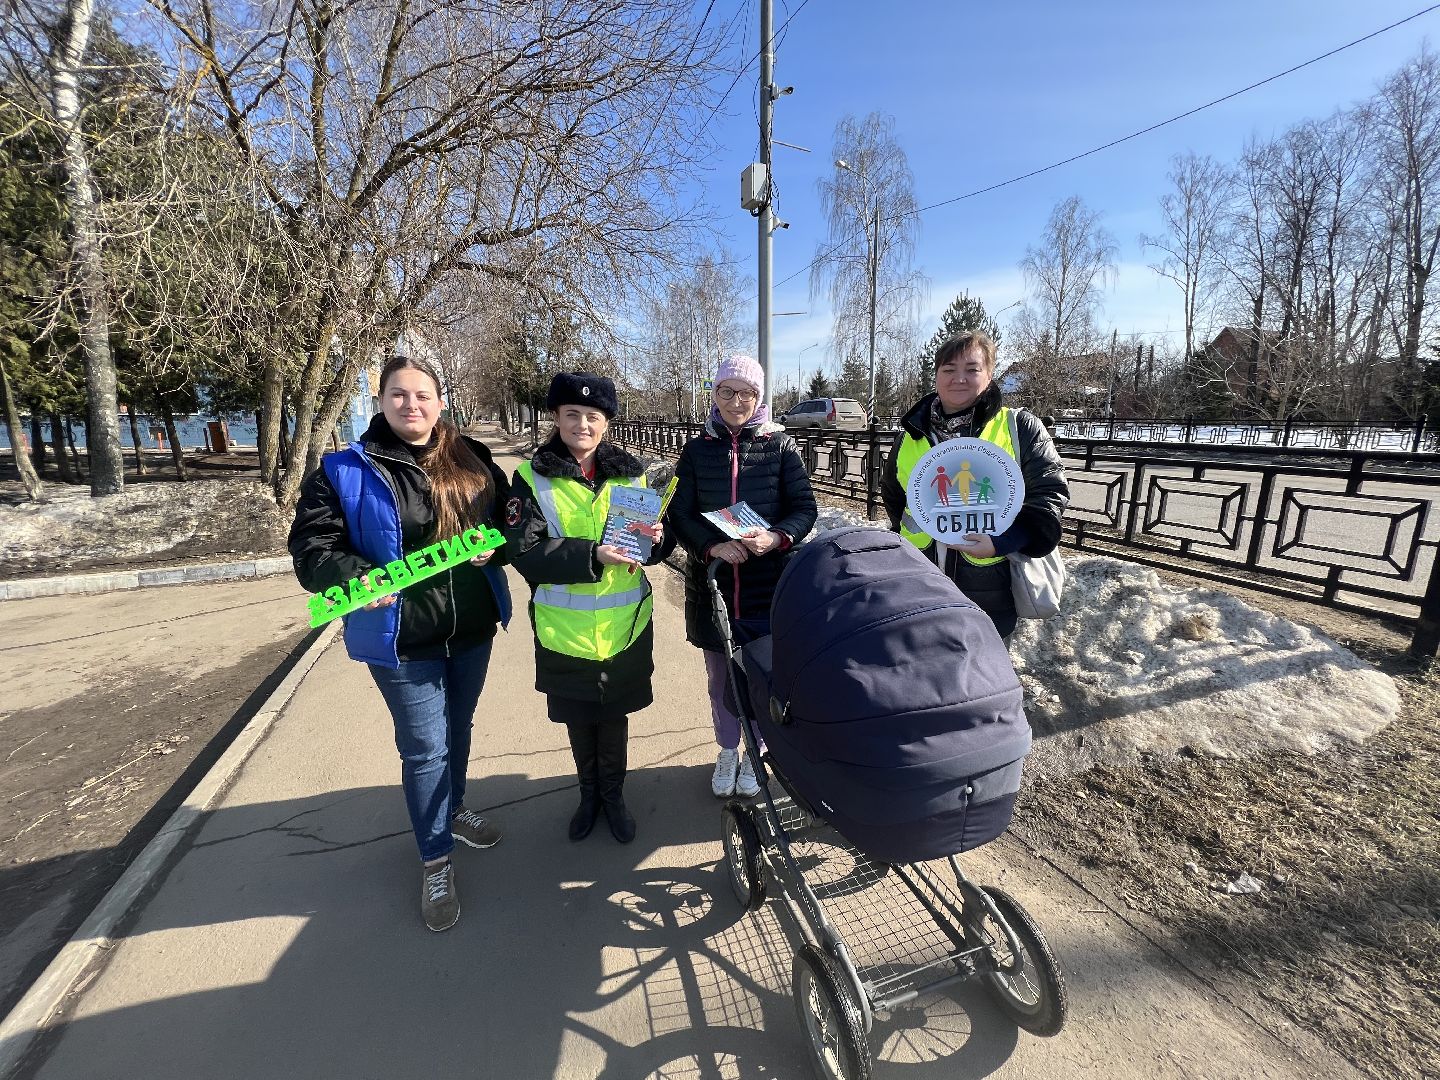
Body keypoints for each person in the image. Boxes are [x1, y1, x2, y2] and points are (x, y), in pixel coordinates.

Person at [289, 354, 512, 933]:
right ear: (381, 401)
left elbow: (512, 523)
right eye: (398, 395)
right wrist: (351, 577)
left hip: (471, 629)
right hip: (402, 640)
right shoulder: (342, 469)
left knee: (456, 731)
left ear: (441, 401)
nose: (412, 405)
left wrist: (500, 547)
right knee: (425, 748)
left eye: (423, 395)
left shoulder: (474, 458)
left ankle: (455, 808)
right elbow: (312, 547)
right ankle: (435, 859)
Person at [504, 372, 673, 845]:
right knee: (580, 719)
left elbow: (650, 548)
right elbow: (524, 551)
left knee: (614, 717)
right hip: (565, 630)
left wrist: (658, 541)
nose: (582, 424)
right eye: (572, 415)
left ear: (606, 424)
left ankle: (615, 797)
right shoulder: (530, 478)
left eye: (592, 416)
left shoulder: (631, 474)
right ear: (556, 418)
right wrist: (591, 554)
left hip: (625, 627)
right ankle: (589, 796)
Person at [670, 355, 818, 799]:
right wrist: (712, 547)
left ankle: (758, 752)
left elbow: (804, 510)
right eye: (727, 391)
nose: (737, 401)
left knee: (763, 677)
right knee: (720, 681)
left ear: (760, 397)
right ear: (714, 395)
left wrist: (775, 538)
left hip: (768, 591)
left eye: (747, 393)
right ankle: (727, 751)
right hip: (713, 587)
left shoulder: (782, 448)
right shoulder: (697, 451)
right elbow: (680, 513)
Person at [881, 330, 1069, 639]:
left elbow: (1050, 494)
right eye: (949, 369)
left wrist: (1003, 541)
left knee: (984, 671)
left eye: (972, 369)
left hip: (988, 583)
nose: (959, 379)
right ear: (936, 375)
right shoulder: (910, 434)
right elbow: (894, 497)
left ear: (990, 373)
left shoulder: (1019, 427)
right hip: (919, 578)